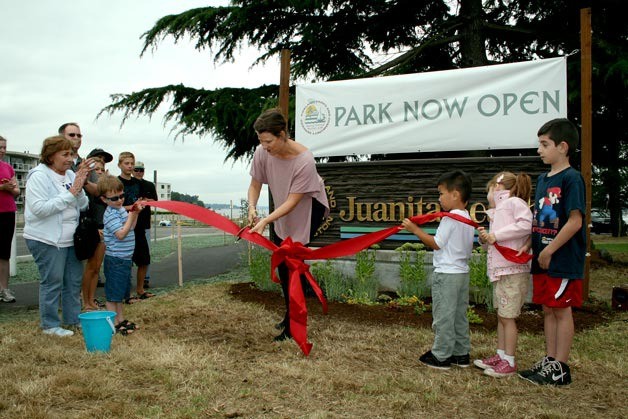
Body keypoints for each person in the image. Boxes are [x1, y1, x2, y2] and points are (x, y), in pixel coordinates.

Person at [248, 108, 329, 341]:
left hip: (307, 208)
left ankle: (294, 324)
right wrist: (253, 208)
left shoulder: (305, 160)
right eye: (261, 141)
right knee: (283, 264)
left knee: (293, 264)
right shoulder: (262, 152)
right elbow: (255, 185)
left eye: (269, 141)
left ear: (283, 134)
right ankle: (291, 314)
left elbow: (294, 201)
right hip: (281, 209)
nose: (265, 147)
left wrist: (266, 219)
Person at [519, 118, 585, 386]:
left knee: (561, 310)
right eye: (539, 144)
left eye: (545, 144)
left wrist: (550, 250)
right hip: (542, 256)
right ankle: (549, 360)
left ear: (563, 147)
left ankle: (561, 366)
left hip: (562, 258)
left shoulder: (572, 179)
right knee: (548, 308)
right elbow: (540, 216)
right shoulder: (543, 179)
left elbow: (575, 221)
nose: (539, 150)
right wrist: (531, 244)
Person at [402, 170, 475, 370]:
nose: (439, 198)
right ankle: (461, 353)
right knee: (459, 315)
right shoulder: (467, 218)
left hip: (447, 274)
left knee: (444, 314)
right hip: (461, 273)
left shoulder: (450, 218)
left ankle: (441, 355)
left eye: (441, 193)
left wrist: (415, 230)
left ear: (455, 195)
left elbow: (436, 243)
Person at [24, 136, 91, 337]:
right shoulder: (38, 176)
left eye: (72, 154)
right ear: (51, 156)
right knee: (52, 281)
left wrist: (78, 189)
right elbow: (39, 209)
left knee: (73, 282)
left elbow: (83, 204)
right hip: (46, 239)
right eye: (65, 154)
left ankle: (72, 320)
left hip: (71, 240)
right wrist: (71, 193)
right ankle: (50, 325)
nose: (70, 159)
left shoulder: (71, 174)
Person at [474, 172, 532, 377]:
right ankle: (501, 355)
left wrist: (495, 235)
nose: (487, 194)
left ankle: (509, 360)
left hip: (512, 270)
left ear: (497, 187)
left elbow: (526, 225)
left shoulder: (513, 203)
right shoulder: (499, 210)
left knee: (508, 317)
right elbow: (494, 241)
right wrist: (485, 238)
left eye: (489, 189)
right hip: (502, 270)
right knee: (502, 316)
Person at [98, 174, 142, 335]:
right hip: (115, 260)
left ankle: (121, 319)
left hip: (125, 259)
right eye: (115, 198)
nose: (120, 200)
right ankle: (113, 324)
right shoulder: (110, 214)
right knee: (113, 295)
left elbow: (131, 227)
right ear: (104, 199)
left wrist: (134, 214)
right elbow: (121, 234)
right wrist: (131, 215)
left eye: (122, 196)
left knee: (120, 294)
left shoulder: (121, 210)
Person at [80, 148, 113, 310]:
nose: (99, 172)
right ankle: (84, 301)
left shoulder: (105, 187)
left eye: (102, 168)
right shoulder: (88, 189)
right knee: (90, 267)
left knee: (96, 268)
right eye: (96, 169)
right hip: (91, 228)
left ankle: (91, 300)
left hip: (103, 228)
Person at [117, 152, 153, 301]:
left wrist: (141, 204)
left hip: (138, 226)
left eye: (132, 163)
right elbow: (113, 205)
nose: (130, 166)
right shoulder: (115, 183)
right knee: (125, 262)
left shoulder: (138, 184)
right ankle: (125, 294)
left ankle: (140, 289)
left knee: (144, 259)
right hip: (121, 226)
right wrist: (130, 207)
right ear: (120, 165)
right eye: (127, 163)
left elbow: (145, 200)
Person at [0, 135, 21, 303]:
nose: (2, 150)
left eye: (4, 147)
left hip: (7, 212)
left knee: (4, 253)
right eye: (0, 147)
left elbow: (17, 191)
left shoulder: (8, 167)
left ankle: (4, 289)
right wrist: (2, 187)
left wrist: (10, 188)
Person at [132, 161, 157, 289]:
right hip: (129, 224)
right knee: (127, 253)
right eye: (136, 169)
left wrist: (147, 201)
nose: (139, 172)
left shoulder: (149, 185)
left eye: (141, 170)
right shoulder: (128, 183)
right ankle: (127, 279)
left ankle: (145, 279)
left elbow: (155, 201)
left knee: (145, 255)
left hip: (144, 224)